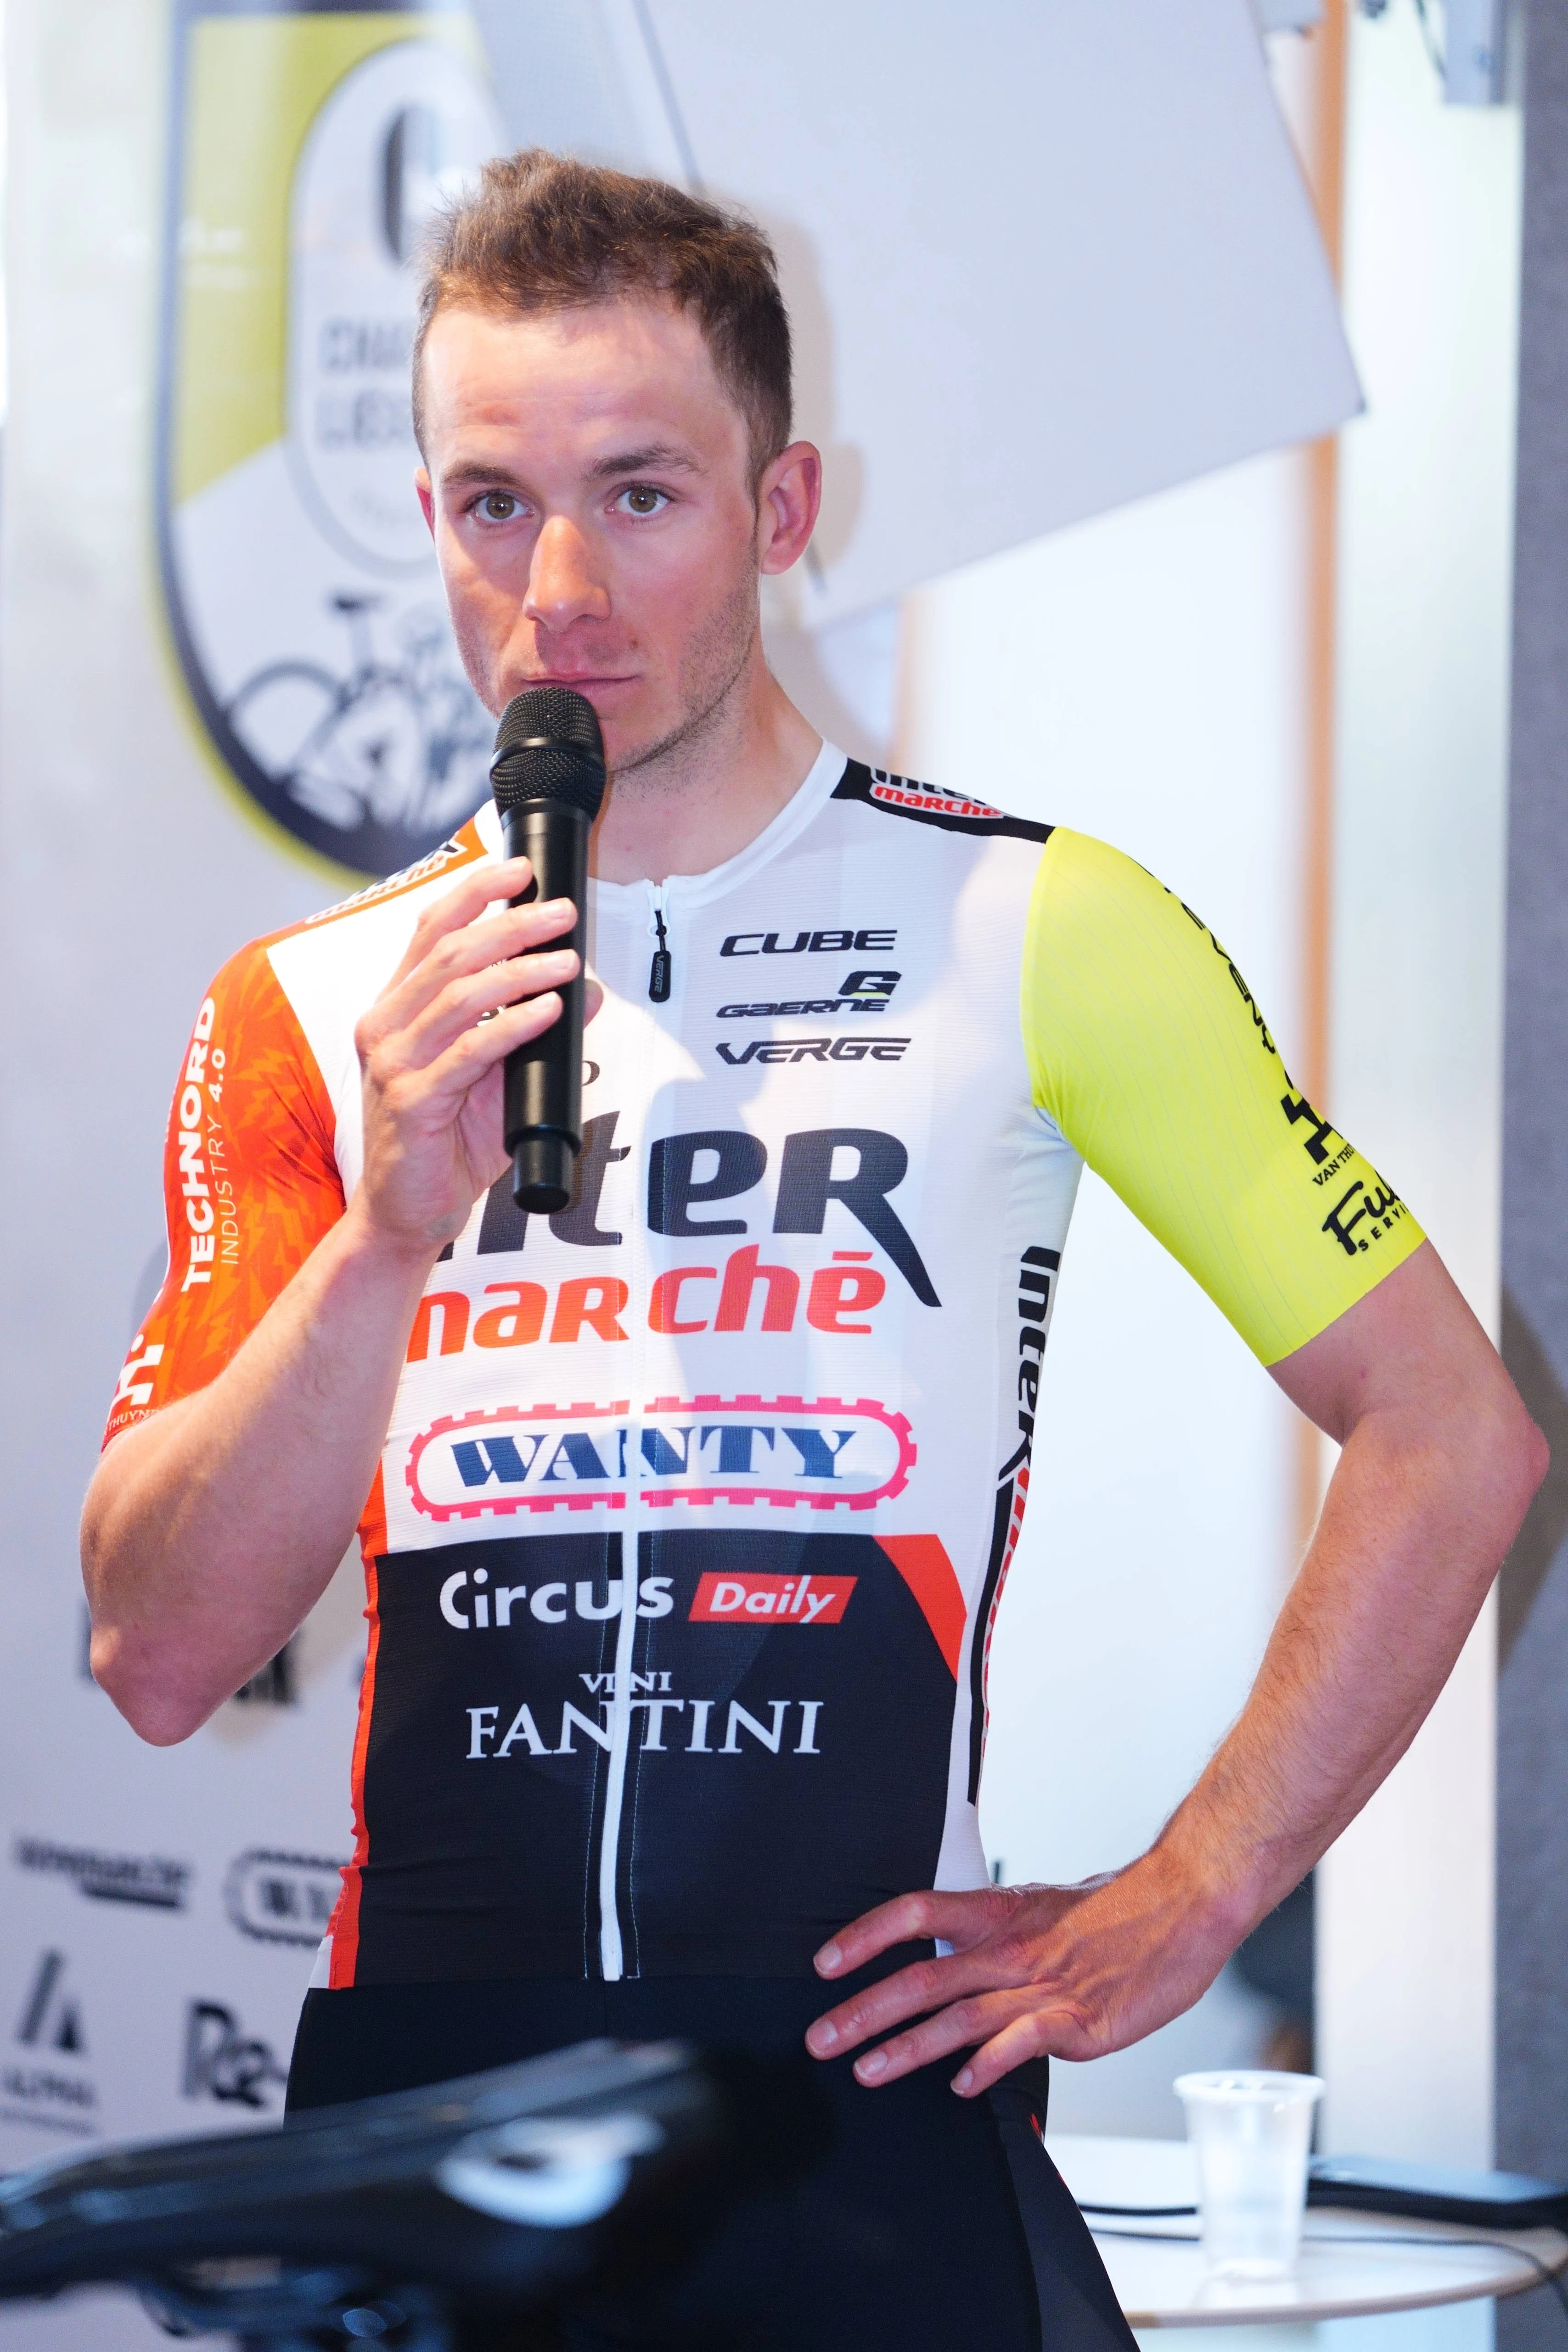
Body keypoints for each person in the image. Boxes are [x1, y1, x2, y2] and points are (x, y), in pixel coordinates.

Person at [81, 152, 1545, 2350]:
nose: (560, 582)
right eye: (494, 501)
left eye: (642, 491)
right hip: (429, 2102)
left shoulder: (1040, 928)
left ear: (780, 510)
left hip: (864, 2097)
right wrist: (387, 1236)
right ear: (426, 520)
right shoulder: (313, 1006)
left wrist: (1189, 1890)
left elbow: (1452, 1427)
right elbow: (161, 1648)